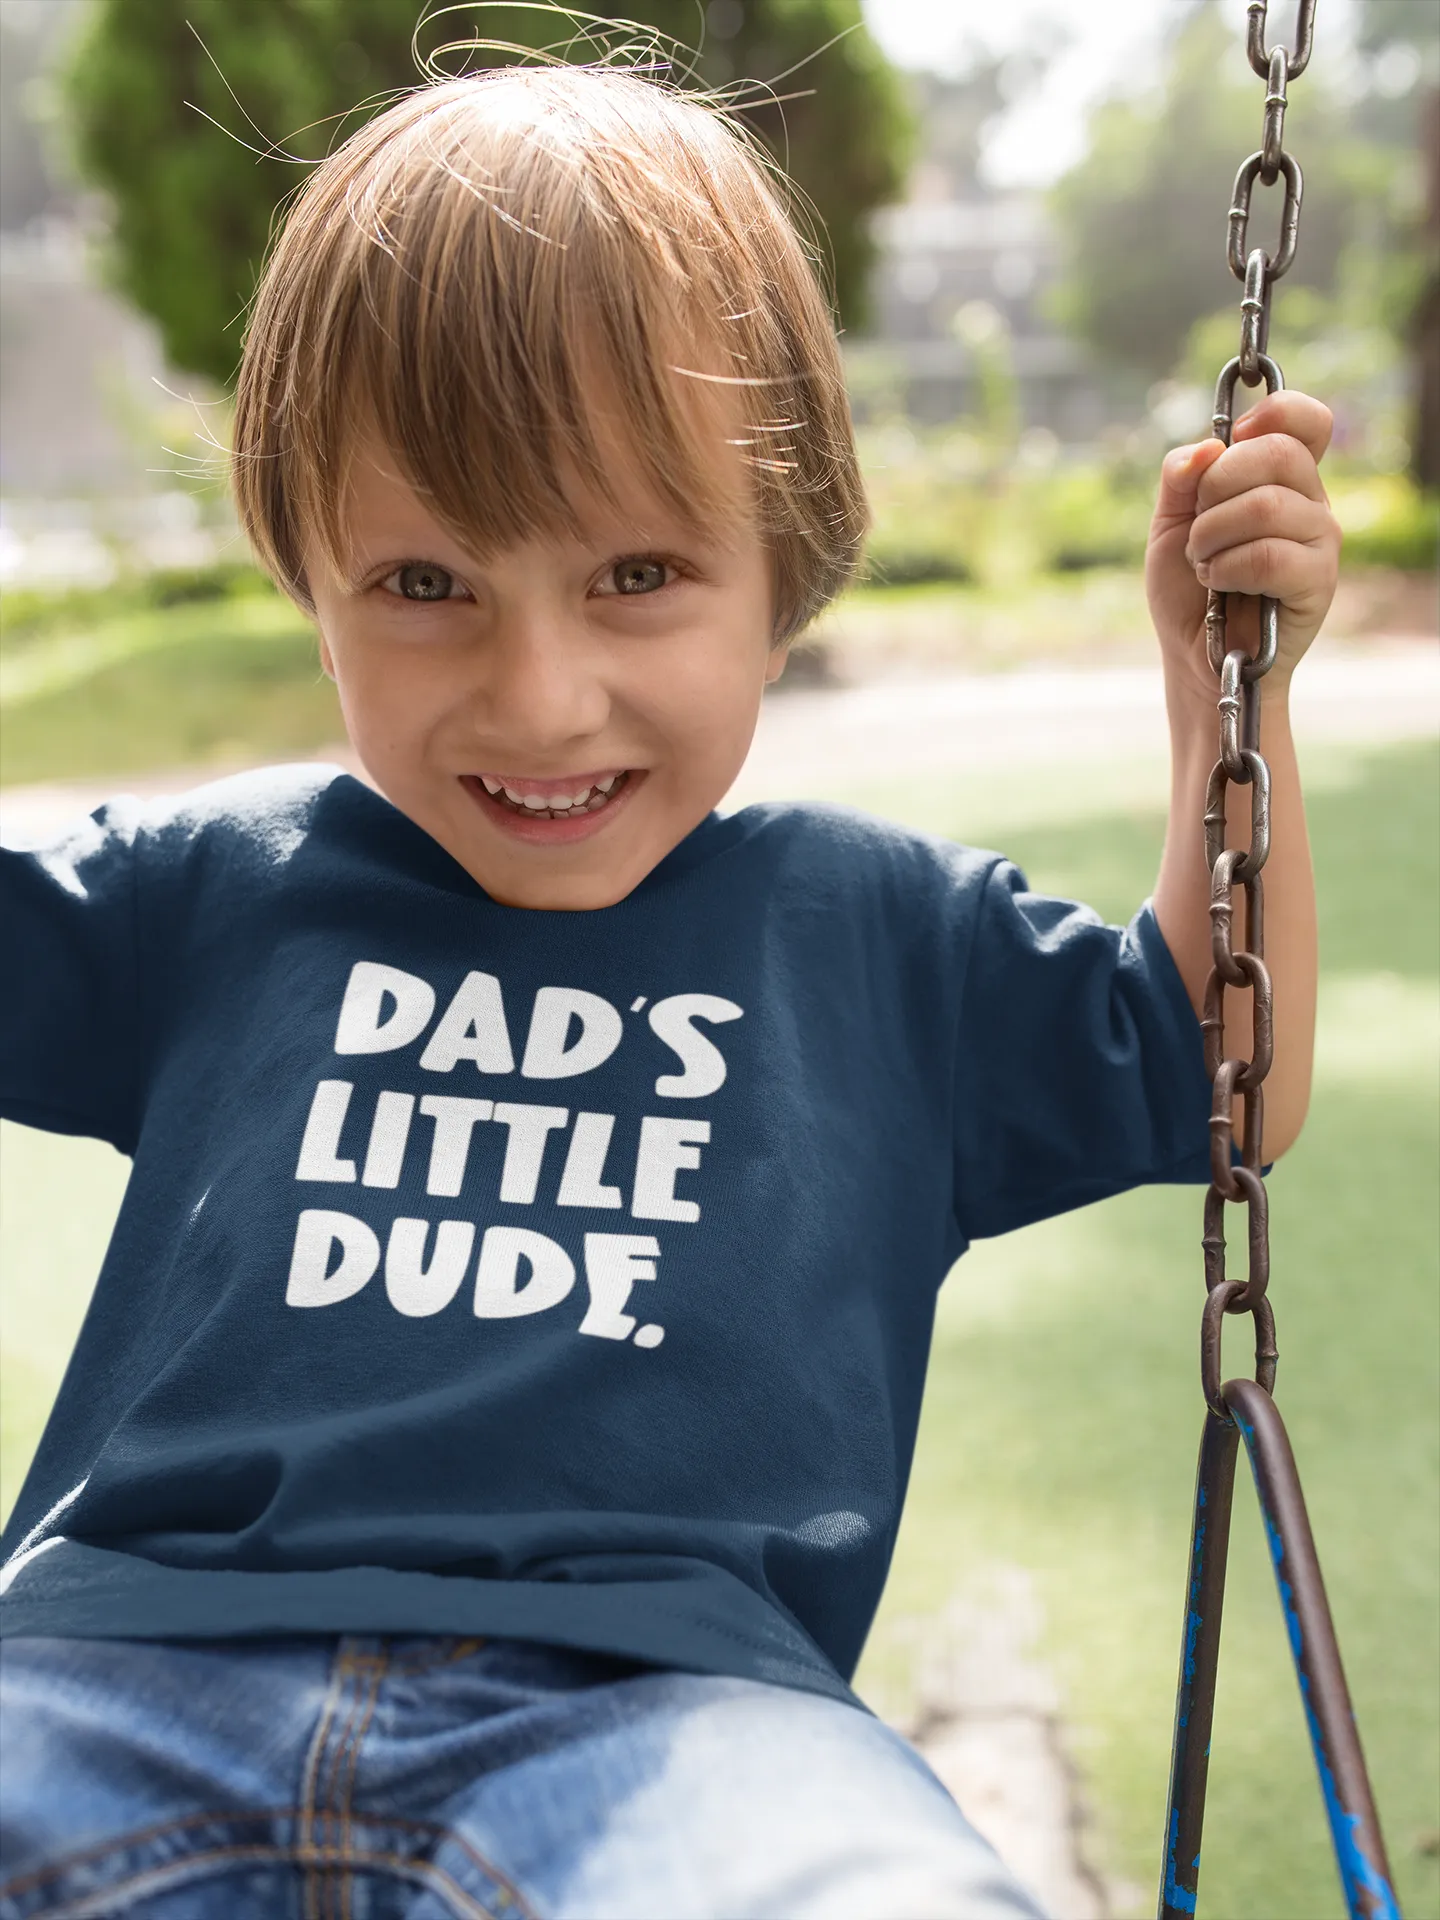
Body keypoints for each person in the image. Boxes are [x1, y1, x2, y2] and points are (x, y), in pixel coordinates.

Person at [0, 61, 1337, 1920]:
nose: (538, 698)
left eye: (636, 574)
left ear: (788, 570)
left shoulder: (878, 934)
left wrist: (1230, 698)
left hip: (673, 1728)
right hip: (106, 1670)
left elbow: (1213, 1065)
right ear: (300, 568)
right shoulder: (218, 884)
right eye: (422, 582)